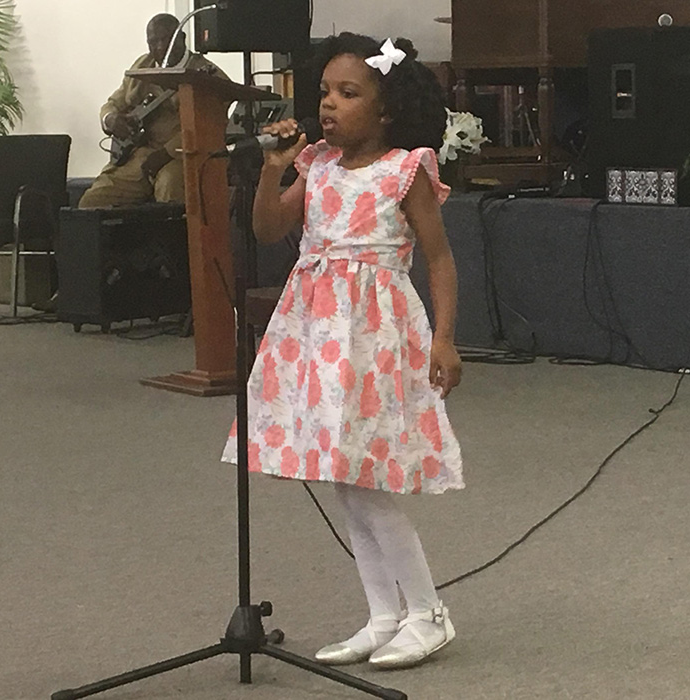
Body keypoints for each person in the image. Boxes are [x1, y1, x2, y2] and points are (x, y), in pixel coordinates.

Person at [222, 33, 463, 670]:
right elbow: (270, 229)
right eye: (325, 91)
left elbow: (438, 258)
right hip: (315, 337)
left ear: (385, 110)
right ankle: (383, 615)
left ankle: (428, 613)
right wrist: (274, 168)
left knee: (369, 481)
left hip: (375, 336)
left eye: (348, 93)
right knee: (344, 480)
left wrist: (443, 336)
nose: (328, 105)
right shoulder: (318, 165)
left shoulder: (405, 168)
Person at [77, 14, 227, 209]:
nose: (159, 47)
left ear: (181, 38)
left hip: (184, 155)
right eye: (153, 42)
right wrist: (110, 119)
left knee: (169, 187)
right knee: (92, 202)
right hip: (140, 153)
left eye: (166, 39)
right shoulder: (142, 65)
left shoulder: (206, 73)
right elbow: (114, 102)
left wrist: (165, 153)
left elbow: (208, 125)